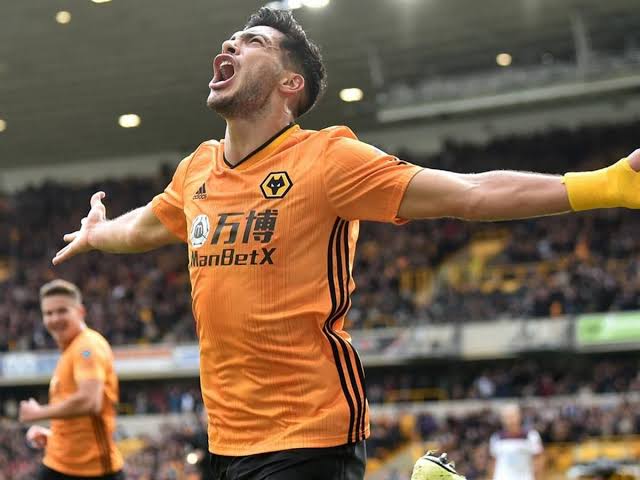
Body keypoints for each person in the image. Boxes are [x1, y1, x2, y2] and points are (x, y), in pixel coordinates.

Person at [51, 6, 640, 480]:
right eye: (232, 39)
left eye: (253, 42)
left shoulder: (328, 159)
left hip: (311, 431)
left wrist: (606, 184)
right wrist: (99, 234)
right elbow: (146, 226)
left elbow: (471, 192)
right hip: (226, 438)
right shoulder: (197, 169)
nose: (231, 44)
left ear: (290, 83)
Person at [19, 280, 124, 480]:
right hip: (60, 462)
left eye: (62, 311)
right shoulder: (71, 349)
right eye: (48, 313)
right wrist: (54, 437)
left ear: (80, 312)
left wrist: (39, 412)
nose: (54, 318)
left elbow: (90, 401)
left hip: (91, 471)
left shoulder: (87, 347)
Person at [488, 404, 543, 480]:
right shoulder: (496, 438)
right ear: (502, 419)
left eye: (512, 416)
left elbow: (538, 459)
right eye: (507, 417)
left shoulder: (531, 435)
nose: (510, 420)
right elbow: (493, 462)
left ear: (519, 416)